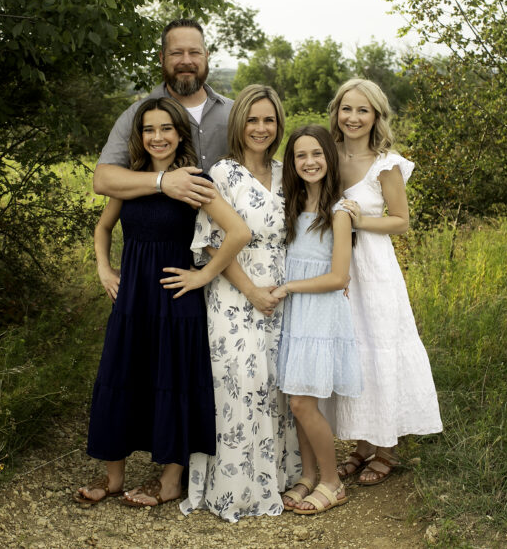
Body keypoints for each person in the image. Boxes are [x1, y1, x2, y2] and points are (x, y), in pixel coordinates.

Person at [76, 97, 251, 508]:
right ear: (140, 136)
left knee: (173, 382)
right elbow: (103, 228)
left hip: (176, 301)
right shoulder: (129, 180)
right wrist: (103, 268)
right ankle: (113, 477)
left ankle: (171, 481)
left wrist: (203, 276)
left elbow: (237, 232)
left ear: (179, 134)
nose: (158, 137)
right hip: (132, 297)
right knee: (121, 376)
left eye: (166, 129)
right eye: (149, 129)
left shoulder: (194, 180)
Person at [180, 85, 301, 522]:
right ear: (238, 124)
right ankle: (232, 489)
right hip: (234, 295)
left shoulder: (289, 174)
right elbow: (211, 244)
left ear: (279, 125)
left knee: (275, 388)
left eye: (269, 120)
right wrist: (250, 291)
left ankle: (276, 479)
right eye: (252, 119)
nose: (261, 128)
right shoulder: (222, 175)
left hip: (283, 296)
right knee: (238, 387)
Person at [322, 78, 443, 487]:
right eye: (347, 109)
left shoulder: (386, 162)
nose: (353, 117)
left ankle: (386, 449)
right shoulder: (327, 154)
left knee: (380, 350)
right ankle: (359, 446)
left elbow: (402, 221)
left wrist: (360, 221)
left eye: (363, 110)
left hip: (373, 269)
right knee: (353, 353)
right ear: (337, 112)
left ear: (375, 116)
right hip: (336, 268)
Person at [269, 125, 360, 515]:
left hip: (319, 314)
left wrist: (288, 288)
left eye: (317, 154)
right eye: (300, 155)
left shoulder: (338, 212)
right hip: (296, 317)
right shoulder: (290, 205)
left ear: (329, 157)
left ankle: (332, 481)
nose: (309, 162)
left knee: (304, 403)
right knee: (297, 401)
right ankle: (307, 476)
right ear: (291, 162)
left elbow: (339, 277)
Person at [92, 18, 232, 208]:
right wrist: (162, 181)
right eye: (176, 53)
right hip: (164, 234)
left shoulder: (235, 112)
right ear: (162, 57)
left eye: (194, 52)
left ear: (206, 55)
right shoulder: (138, 114)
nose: (186, 60)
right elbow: (102, 179)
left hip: (230, 234)